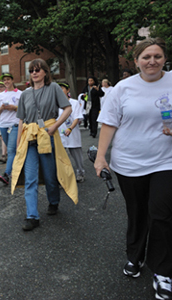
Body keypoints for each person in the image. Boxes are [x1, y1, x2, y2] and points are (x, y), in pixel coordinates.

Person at [94, 37, 172, 300]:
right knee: (137, 213)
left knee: (161, 215)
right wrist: (101, 157)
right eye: (146, 57)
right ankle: (135, 256)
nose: (152, 61)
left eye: (158, 56)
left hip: (166, 161)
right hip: (129, 163)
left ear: (165, 58)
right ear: (136, 60)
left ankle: (162, 272)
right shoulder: (122, 88)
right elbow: (108, 124)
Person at [10, 58, 77, 231]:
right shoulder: (25, 94)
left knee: (49, 176)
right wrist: (18, 146)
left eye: (38, 69)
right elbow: (21, 121)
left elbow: (68, 109)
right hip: (29, 139)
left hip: (47, 136)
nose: (34, 72)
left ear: (45, 72)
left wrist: (55, 126)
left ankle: (53, 201)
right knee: (30, 178)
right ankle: (32, 216)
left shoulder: (53, 88)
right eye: (32, 70)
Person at [0, 74, 22, 185]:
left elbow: (25, 109)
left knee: (10, 150)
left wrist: (14, 108)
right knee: (12, 150)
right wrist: (2, 107)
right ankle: (17, 168)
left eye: (8, 79)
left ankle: (6, 174)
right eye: (4, 80)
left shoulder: (20, 94)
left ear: (12, 80)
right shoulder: (0, 95)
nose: (6, 82)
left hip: (15, 124)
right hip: (3, 125)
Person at [57, 82, 85, 183]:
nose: (60, 91)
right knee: (60, 157)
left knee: (77, 156)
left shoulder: (74, 103)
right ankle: (62, 176)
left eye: (62, 89)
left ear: (68, 90)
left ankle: (80, 172)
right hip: (59, 133)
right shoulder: (55, 103)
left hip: (72, 133)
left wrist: (70, 128)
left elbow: (77, 117)